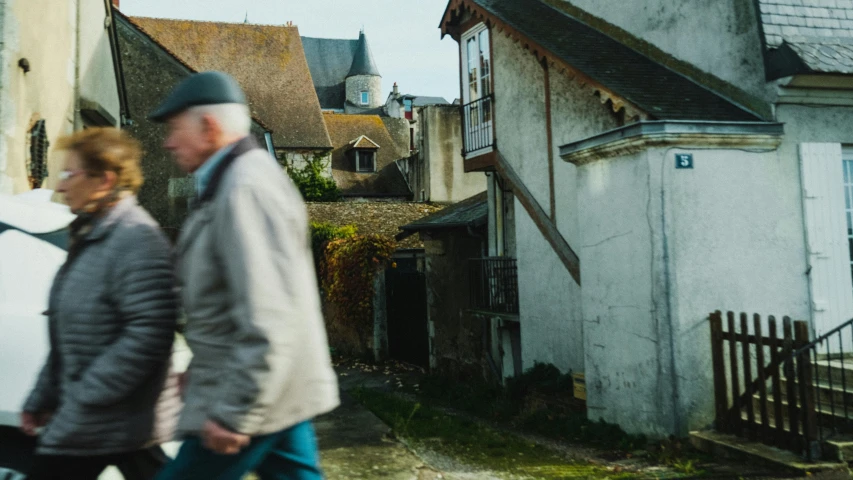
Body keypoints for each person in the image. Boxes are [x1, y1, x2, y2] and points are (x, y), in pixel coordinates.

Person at [150, 71, 339, 480]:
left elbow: (270, 315)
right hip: (272, 390)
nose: (168, 142)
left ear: (209, 126)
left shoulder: (245, 189)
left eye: (174, 129)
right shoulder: (231, 182)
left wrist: (235, 413)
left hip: (246, 395)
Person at [21, 128, 178, 480]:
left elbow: (150, 333)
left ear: (104, 181)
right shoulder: (90, 234)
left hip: (110, 418)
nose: (60, 186)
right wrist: (41, 397)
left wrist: (85, 394)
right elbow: (68, 332)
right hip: (102, 419)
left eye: (69, 174)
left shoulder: (137, 240)